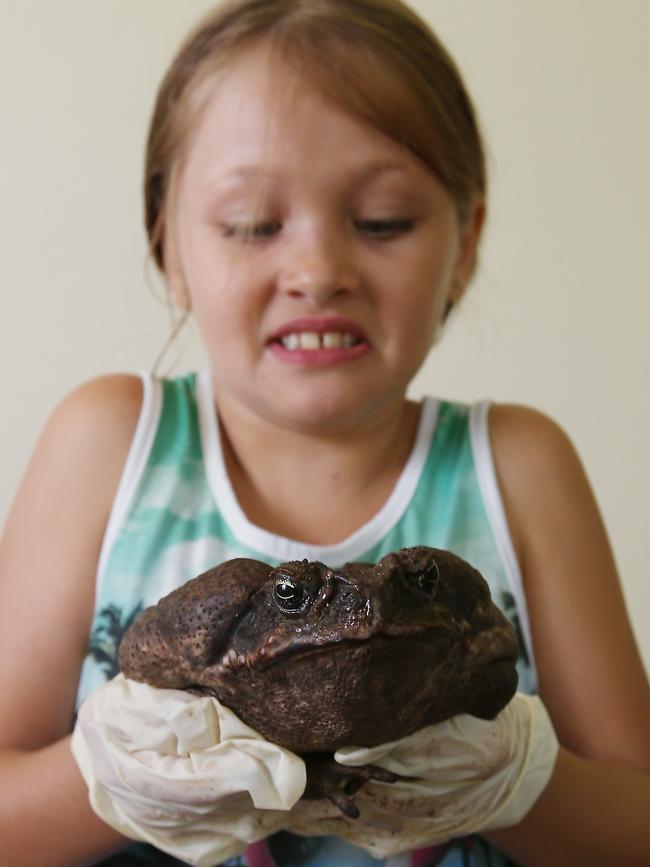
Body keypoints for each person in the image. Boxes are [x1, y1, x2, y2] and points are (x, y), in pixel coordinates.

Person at [1, 0, 648, 865]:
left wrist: (514, 784)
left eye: (382, 222)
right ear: (170, 244)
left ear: (466, 241)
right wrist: (106, 778)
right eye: (253, 225)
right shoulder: (109, 444)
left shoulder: (519, 468)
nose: (318, 271)